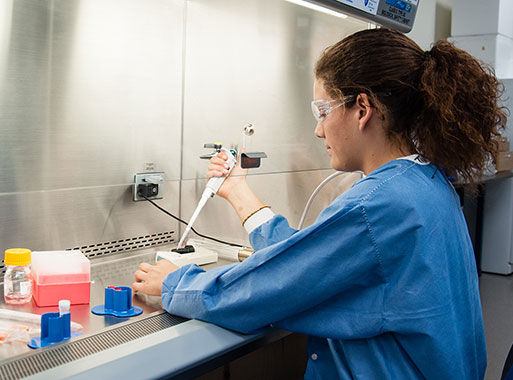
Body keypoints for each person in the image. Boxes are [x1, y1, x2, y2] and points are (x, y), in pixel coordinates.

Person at [133, 28, 507, 379]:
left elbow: (261, 292)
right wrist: (238, 191)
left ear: (362, 109)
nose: (318, 129)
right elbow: (312, 263)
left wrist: (175, 284)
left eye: (322, 111)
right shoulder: (424, 183)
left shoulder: (376, 206)